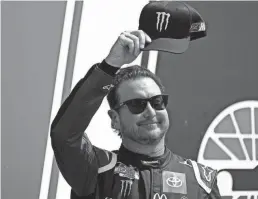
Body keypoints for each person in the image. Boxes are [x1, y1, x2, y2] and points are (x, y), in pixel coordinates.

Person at [51, 2, 221, 199]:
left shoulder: (201, 181)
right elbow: (64, 135)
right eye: (137, 104)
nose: (150, 111)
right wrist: (110, 66)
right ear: (114, 118)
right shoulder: (96, 170)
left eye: (157, 102)